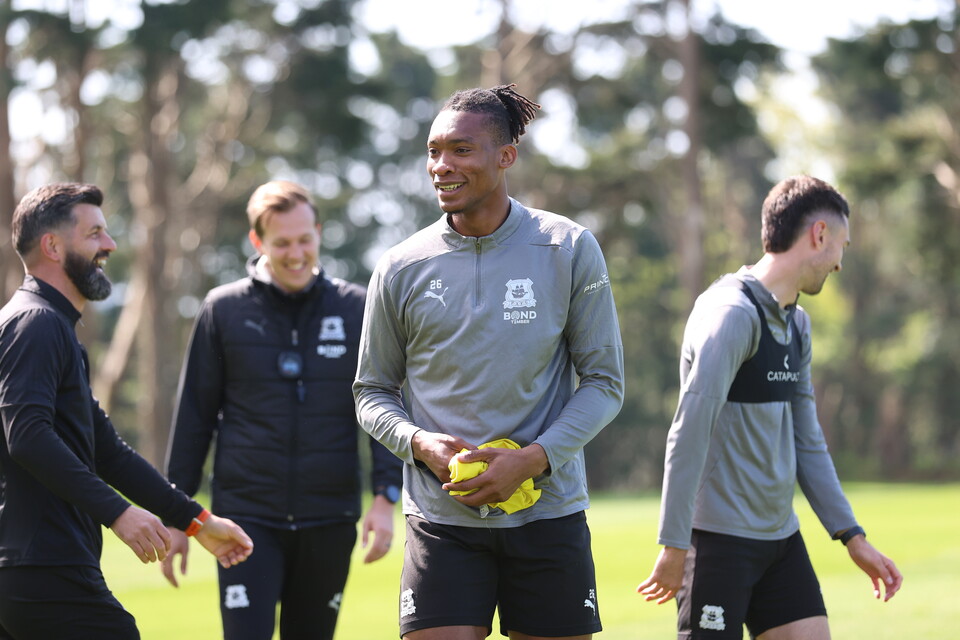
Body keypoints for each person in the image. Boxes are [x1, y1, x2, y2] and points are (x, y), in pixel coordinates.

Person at [353, 84, 624, 640]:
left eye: (460, 150)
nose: (441, 166)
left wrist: (532, 460)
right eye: (433, 151)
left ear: (506, 157)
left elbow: (604, 382)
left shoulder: (568, 247)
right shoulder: (400, 266)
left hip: (548, 516)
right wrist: (417, 443)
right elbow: (371, 390)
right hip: (441, 521)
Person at [636, 176, 903, 639]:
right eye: (842, 244)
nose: (840, 261)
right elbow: (689, 431)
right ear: (819, 234)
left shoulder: (796, 323)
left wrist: (851, 536)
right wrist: (674, 546)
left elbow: (808, 440)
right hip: (717, 543)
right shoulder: (731, 314)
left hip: (780, 541)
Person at [0, 183, 253, 640]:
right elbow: (28, 436)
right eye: (95, 233)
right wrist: (118, 512)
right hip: (42, 566)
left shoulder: (53, 328)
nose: (110, 245)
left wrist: (196, 521)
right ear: (52, 246)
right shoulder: (36, 324)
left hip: (38, 565)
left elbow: (107, 451)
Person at [163, 180, 403, 640]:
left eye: (304, 240)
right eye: (282, 243)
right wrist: (179, 514)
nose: (296, 254)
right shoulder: (223, 309)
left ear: (319, 232)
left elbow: (383, 401)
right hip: (244, 520)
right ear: (258, 242)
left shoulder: (356, 308)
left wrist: (385, 495)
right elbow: (194, 417)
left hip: (330, 517)